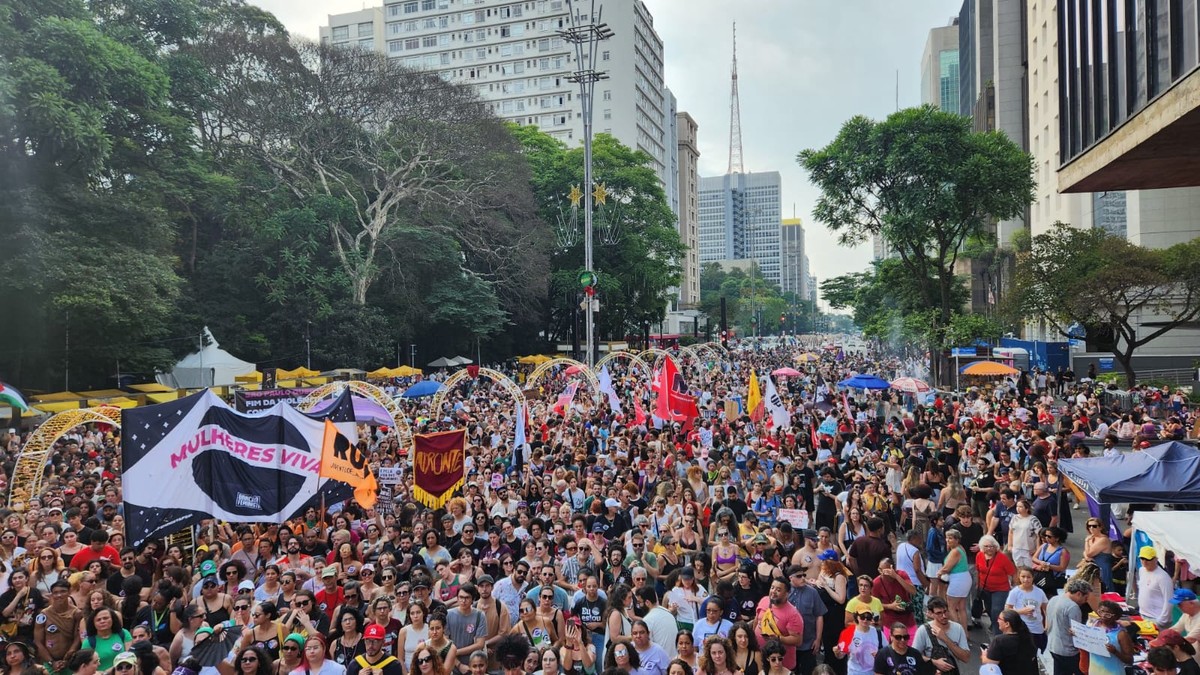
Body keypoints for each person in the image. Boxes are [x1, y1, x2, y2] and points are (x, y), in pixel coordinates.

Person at [752, 579, 804, 674]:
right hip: (760, 659)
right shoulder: (764, 600)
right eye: (772, 587)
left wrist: (778, 638)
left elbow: (798, 640)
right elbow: (757, 619)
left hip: (781, 665)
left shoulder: (793, 614)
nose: (773, 591)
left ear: (787, 593)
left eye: (778, 590)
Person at [910, 597, 969, 675]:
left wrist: (945, 638)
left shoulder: (958, 628)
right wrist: (934, 662)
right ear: (931, 614)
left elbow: (965, 658)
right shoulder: (923, 630)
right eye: (939, 613)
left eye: (945, 611)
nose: (944, 616)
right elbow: (913, 655)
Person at [1044, 579, 1090, 675]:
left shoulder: (1053, 599)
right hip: (1068, 650)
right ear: (1078, 594)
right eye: (1085, 598)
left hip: (1053, 645)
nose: (1085, 602)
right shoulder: (1073, 607)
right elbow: (1076, 631)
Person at [1083, 600, 1136, 675]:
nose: (1103, 616)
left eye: (1108, 615)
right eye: (1101, 612)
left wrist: (1115, 652)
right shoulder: (1093, 624)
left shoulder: (1121, 634)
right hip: (1094, 670)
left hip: (1112, 672)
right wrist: (1077, 635)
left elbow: (1130, 660)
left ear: (1116, 617)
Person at [980, 609, 1037, 675]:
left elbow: (990, 663)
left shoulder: (999, 640)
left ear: (1007, 624)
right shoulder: (1028, 637)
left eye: (999, 618)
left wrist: (984, 655)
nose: (997, 621)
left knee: (984, 669)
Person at [834, 611, 884, 675]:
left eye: (868, 617)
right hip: (855, 672)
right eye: (862, 617)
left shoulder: (878, 633)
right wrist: (837, 652)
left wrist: (879, 655)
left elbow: (887, 652)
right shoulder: (848, 632)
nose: (865, 620)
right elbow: (840, 655)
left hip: (874, 672)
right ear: (857, 617)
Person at [1138, 546, 1176, 628]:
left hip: (1156, 618)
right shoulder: (1142, 570)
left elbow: (1169, 599)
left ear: (1155, 559)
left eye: (1148, 559)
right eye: (1142, 559)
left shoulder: (1163, 577)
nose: (1144, 562)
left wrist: (1162, 620)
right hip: (1144, 615)